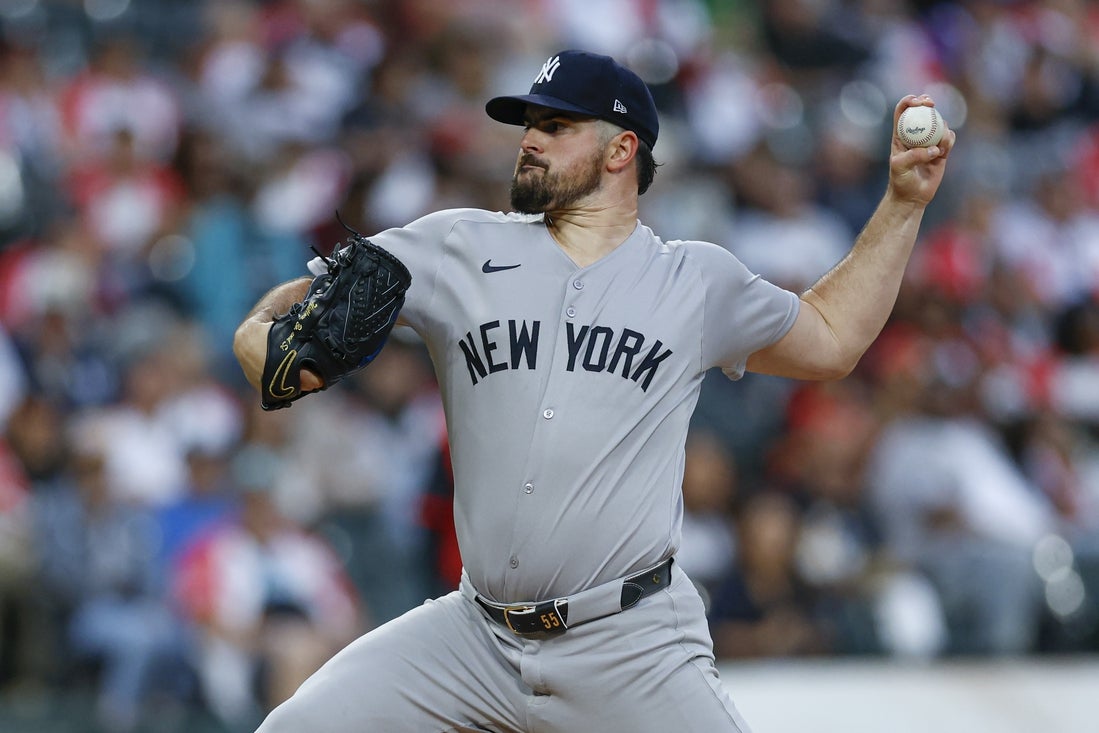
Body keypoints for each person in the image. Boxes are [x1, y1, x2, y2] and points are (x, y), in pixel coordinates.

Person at [232, 49, 955, 732]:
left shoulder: (694, 280)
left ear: (620, 150)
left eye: (555, 126)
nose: (529, 140)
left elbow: (831, 336)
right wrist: (264, 326)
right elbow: (292, 336)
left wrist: (902, 202)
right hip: (474, 638)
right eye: (529, 125)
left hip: (630, 643)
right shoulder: (453, 246)